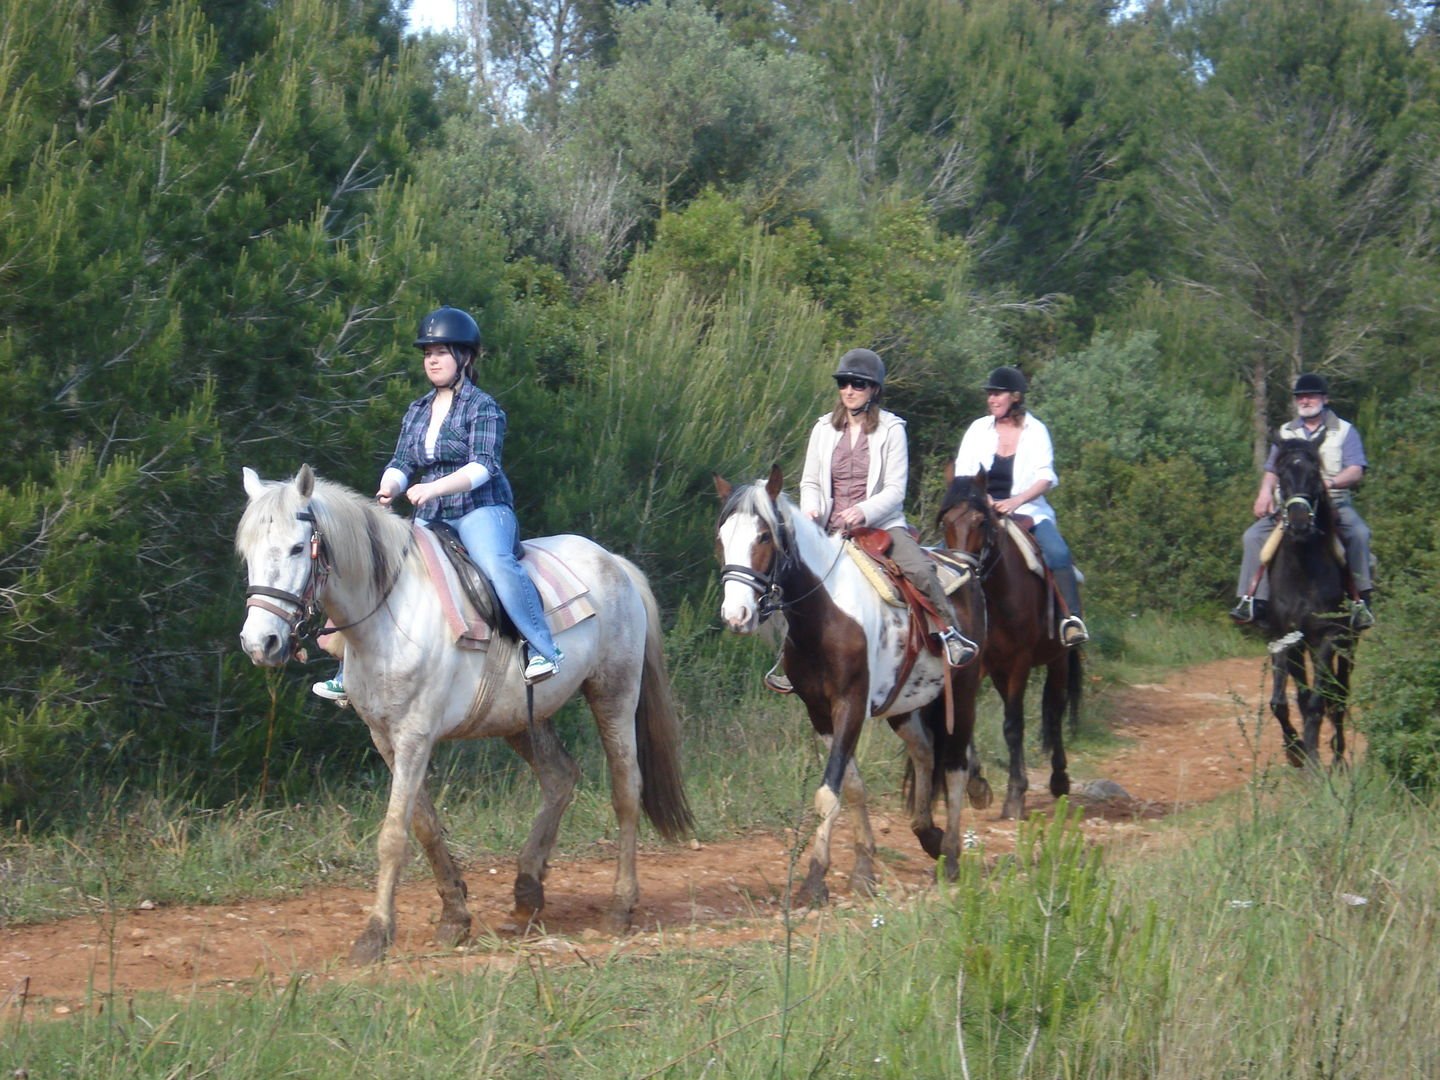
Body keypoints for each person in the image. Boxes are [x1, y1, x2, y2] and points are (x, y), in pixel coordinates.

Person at [313, 305, 562, 702]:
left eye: (442, 352)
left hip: (482, 508)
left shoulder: (483, 407)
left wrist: (434, 488)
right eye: (428, 353)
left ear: (465, 357)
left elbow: (483, 465)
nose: (433, 360)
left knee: (496, 564)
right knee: (383, 571)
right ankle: (347, 670)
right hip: (431, 515)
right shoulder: (417, 410)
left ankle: (544, 647)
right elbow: (402, 462)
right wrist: (389, 486)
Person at [773, 348, 977, 692]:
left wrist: (863, 511)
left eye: (858, 384)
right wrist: (812, 509)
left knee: (920, 570)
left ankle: (949, 633)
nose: (849, 390)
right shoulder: (823, 428)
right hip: (828, 527)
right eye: (843, 383)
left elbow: (896, 490)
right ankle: (788, 656)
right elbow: (810, 481)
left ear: (874, 391)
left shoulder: (892, 429)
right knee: (784, 575)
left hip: (880, 524)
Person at [953, 366, 1089, 648]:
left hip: (1029, 513)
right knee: (949, 555)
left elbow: (1046, 477)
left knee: (1059, 554)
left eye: (997, 394)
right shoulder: (978, 429)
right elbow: (963, 473)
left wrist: (1015, 501)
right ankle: (948, 627)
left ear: (1014, 397)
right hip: (982, 513)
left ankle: (1071, 620)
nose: (991, 399)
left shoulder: (1036, 431)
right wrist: (987, 500)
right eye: (990, 394)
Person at [1230, 372, 1375, 630]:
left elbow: (1356, 469)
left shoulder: (1344, 431)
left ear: (1325, 399)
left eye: (1311, 396)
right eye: (1300, 397)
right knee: (1252, 537)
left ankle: (1360, 601)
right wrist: (1264, 493)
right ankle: (1253, 601)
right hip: (1290, 508)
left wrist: (1329, 483)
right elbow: (1272, 469)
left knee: (1360, 534)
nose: (1305, 400)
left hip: (1333, 504)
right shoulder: (1286, 432)